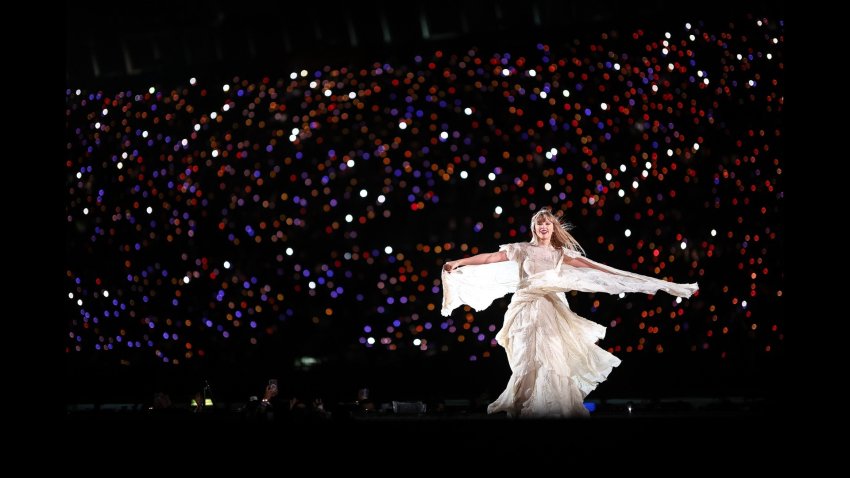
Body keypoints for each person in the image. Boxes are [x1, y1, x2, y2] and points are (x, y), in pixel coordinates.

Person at [441, 207, 698, 418]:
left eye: (547, 224)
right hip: (525, 309)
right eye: (539, 223)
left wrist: (622, 277)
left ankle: (554, 408)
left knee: (551, 356)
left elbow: (593, 267)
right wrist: (458, 262)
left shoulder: (560, 254)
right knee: (526, 358)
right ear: (533, 227)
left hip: (549, 308)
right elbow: (489, 258)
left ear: (553, 228)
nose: (544, 227)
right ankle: (526, 406)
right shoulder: (521, 249)